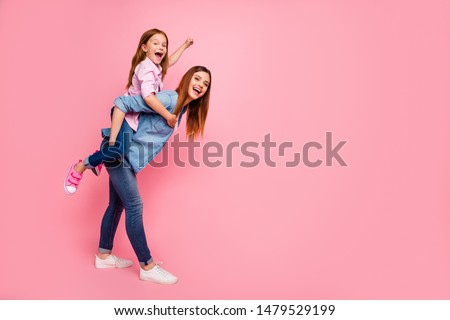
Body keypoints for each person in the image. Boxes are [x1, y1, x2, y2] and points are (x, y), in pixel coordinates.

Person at [94, 66, 212, 284]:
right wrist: (113, 145)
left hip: (127, 160)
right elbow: (124, 102)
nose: (200, 85)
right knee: (134, 206)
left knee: (116, 205)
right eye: (197, 79)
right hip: (120, 155)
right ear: (187, 79)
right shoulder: (169, 99)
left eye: (205, 84)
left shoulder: (181, 109)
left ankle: (104, 255)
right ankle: (147, 266)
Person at [64, 28, 193, 195]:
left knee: (118, 149)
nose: (161, 47)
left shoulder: (156, 67)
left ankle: (102, 155)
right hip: (125, 115)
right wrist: (168, 116)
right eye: (156, 43)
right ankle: (80, 167)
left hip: (135, 120)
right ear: (144, 47)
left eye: (164, 45)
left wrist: (184, 45)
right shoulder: (146, 68)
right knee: (119, 150)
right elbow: (148, 97)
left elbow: (170, 61)